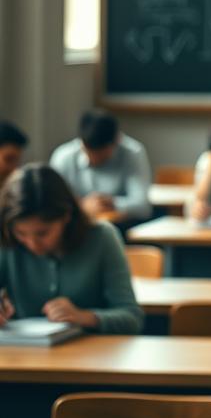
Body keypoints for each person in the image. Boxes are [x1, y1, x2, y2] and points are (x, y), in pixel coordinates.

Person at [0, 164, 143, 333]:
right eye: (21, 233)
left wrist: (85, 317)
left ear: (66, 216)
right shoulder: (6, 240)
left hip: (93, 355)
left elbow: (132, 318)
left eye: (42, 233)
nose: (32, 244)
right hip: (23, 355)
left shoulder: (102, 237)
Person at [49, 110, 153, 222]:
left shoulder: (133, 152)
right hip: (75, 226)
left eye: (100, 154)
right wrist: (81, 206)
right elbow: (51, 203)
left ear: (118, 140)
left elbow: (143, 207)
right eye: (89, 152)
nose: (94, 158)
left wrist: (111, 204)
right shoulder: (63, 156)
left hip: (120, 226)